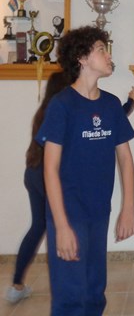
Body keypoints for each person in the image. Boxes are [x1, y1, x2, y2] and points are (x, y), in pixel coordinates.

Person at [35, 25, 134, 316]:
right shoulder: (62, 105)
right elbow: (50, 169)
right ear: (81, 58)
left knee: (94, 292)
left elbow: (125, 159)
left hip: (99, 212)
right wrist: (62, 226)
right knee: (71, 297)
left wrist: (128, 209)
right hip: (68, 213)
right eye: (102, 50)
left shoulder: (111, 104)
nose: (109, 55)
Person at [5, 71, 70, 304]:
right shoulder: (61, 112)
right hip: (46, 177)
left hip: (32, 173)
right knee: (59, 227)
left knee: (38, 226)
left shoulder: (42, 112)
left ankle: (16, 285)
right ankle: (64, 287)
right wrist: (129, 106)